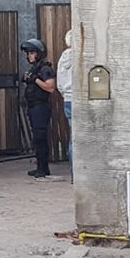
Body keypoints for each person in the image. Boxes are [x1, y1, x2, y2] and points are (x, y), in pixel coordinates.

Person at [21, 38, 56, 179]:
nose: (29, 56)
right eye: (28, 53)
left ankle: (43, 169)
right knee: (37, 139)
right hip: (33, 107)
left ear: (39, 53)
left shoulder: (45, 69)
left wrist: (35, 79)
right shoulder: (35, 68)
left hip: (41, 108)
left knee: (40, 138)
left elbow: (51, 87)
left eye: (32, 53)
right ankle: (41, 167)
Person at [56, 30, 74, 184]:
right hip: (81, 100)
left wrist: (66, 94)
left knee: (73, 139)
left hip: (68, 99)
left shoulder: (63, 57)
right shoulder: (84, 55)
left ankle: (74, 174)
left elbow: (59, 84)